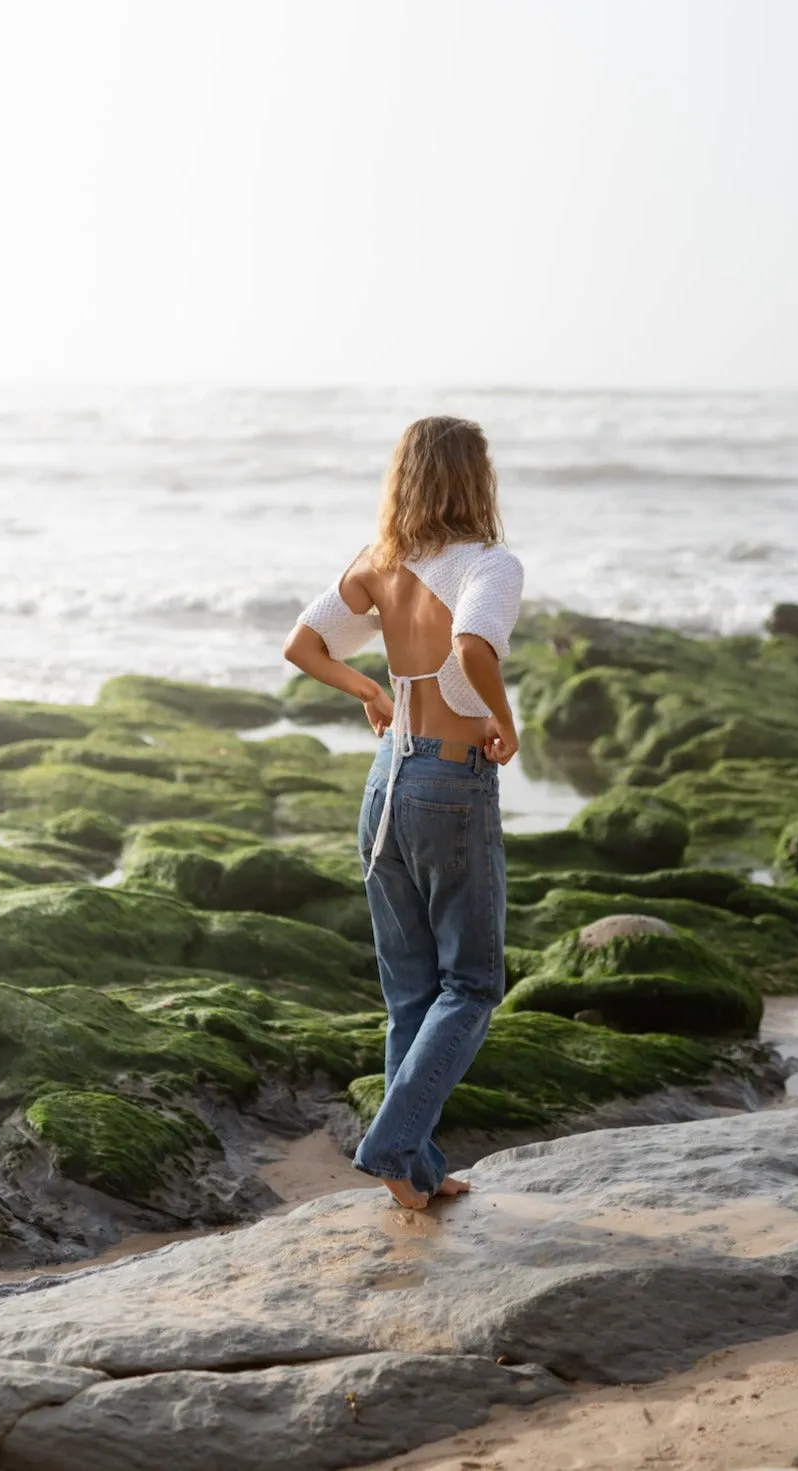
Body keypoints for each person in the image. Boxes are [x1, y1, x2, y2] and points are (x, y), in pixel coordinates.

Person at [283, 416, 524, 1209]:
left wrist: (373, 691)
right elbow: (473, 648)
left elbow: (304, 644)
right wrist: (502, 720)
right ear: (474, 478)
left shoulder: (379, 560)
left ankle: (413, 1175)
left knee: (412, 994)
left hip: (387, 784)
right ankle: (390, 1143)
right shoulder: (488, 563)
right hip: (449, 786)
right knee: (474, 985)